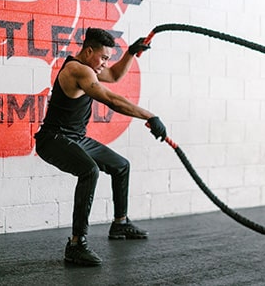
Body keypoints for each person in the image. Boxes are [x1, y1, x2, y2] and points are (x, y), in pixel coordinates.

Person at [34, 28, 167, 266]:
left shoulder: (91, 69)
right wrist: (150, 116)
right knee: (89, 171)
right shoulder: (77, 70)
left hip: (75, 138)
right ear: (88, 51)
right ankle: (76, 245)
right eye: (103, 57)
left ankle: (120, 224)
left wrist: (130, 53)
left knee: (121, 166)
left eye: (107, 58)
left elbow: (115, 75)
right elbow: (112, 100)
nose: (105, 63)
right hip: (53, 139)